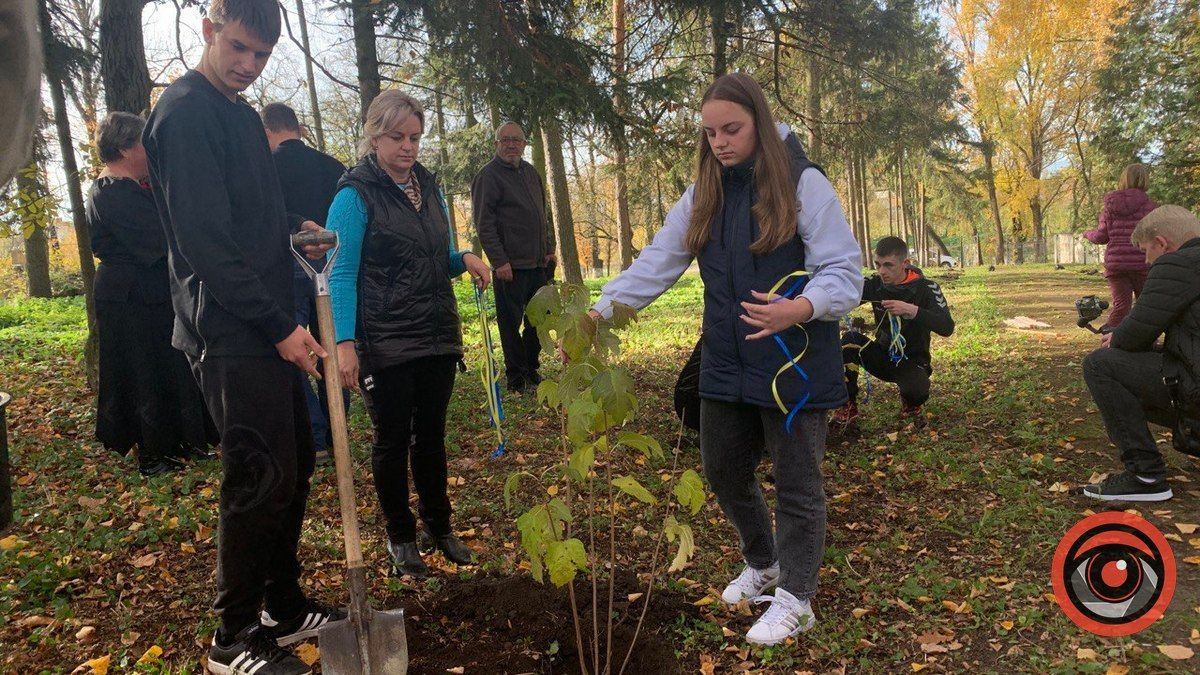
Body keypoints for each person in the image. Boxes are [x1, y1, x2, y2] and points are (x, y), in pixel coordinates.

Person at [588, 73, 862, 645]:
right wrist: (598, 314)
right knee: (723, 470)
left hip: (793, 364)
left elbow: (844, 271)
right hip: (725, 359)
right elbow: (658, 261)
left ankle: (797, 598)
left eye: (731, 129)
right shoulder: (703, 192)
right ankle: (765, 564)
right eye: (710, 133)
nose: (720, 142)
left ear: (759, 121)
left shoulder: (804, 183)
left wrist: (800, 307)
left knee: (797, 484)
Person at [142, 1, 344, 672]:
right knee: (257, 475)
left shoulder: (238, 114)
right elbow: (204, 239)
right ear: (209, 30)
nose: (249, 65)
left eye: (261, 55)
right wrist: (278, 325)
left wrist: (292, 227)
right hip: (229, 328)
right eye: (238, 48)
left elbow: (246, 215)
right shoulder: (185, 113)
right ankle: (232, 637)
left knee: (295, 466)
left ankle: (281, 607)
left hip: (266, 320)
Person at [326, 90, 492, 578]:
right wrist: (344, 343)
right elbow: (340, 273)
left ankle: (439, 527)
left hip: (435, 334)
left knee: (432, 438)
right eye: (397, 137)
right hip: (384, 340)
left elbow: (434, 257)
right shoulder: (354, 196)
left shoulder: (429, 188)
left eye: (415, 137)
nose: (408, 147)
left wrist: (464, 258)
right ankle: (400, 536)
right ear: (374, 137)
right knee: (392, 440)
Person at [86, 111, 215, 476]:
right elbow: (159, 239)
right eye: (145, 144)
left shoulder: (134, 187)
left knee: (169, 366)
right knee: (143, 371)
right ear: (126, 148)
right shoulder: (111, 192)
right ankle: (153, 453)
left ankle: (181, 440)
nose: (150, 151)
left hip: (150, 292)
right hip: (129, 296)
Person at [1082, 205, 1200, 502]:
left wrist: (1116, 335)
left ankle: (1145, 475)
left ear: (1162, 243)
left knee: (1100, 365)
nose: (1146, 262)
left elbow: (1133, 336)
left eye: (1147, 251)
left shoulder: (1177, 264)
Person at [262, 101, 347, 463]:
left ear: (268, 131)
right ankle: (336, 430)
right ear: (297, 128)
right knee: (330, 347)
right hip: (331, 263)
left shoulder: (264, 168)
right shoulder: (332, 166)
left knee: (295, 348)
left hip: (290, 267)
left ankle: (317, 436)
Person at [832, 236, 955, 427]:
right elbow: (843, 296)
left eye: (888, 265)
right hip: (882, 355)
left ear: (905, 263)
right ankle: (847, 404)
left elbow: (947, 327)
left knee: (917, 392)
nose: (882, 271)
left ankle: (910, 401)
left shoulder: (927, 288)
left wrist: (911, 310)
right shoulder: (875, 283)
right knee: (850, 339)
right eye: (878, 264)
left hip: (913, 360)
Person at [471, 121, 555, 392]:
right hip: (510, 267)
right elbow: (484, 224)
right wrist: (499, 261)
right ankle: (516, 377)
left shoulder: (531, 173)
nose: (511, 145)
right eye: (505, 140)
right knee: (510, 325)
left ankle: (531, 368)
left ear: (524, 144)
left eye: (516, 140)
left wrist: (549, 249)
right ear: (496, 143)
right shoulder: (488, 176)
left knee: (538, 322)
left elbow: (543, 215)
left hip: (538, 264)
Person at [1084, 163, 1157, 329]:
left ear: (1124, 180)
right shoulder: (1151, 207)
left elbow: (1101, 237)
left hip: (1117, 265)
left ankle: (1110, 339)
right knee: (1145, 307)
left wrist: (1087, 233)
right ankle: (1146, 342)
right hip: (1143, 264)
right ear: (1145, 180)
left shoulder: (1110, 207)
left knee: (1121, 307)